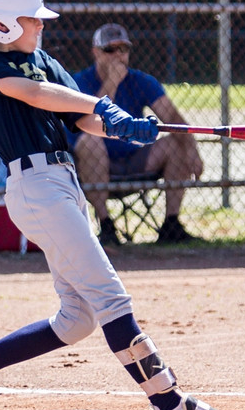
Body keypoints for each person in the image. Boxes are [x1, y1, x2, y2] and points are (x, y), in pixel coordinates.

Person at [0, 0, 242, 410]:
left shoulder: (43, 61)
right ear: (0, 23)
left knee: (77, 319)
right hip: (36, 187)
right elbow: (33, 94)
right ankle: (169, 407)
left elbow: (79, 117)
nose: (41, 25)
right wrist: (103, 106)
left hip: (64, 183)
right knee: (111, 298)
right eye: (31, 19)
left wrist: (123, 127)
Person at [71, 23, 204, 245]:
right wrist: (112, 83)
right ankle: (106, 226)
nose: (118, 55)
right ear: (96, 52)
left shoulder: (140, 80)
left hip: (134, 158)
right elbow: (92, 118)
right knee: (91, 141)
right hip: (91, 164)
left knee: (176, 142)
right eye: (110, 50)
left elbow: (172, 117)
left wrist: (192, 150)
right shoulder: (79, 82)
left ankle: (171, 224)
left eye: (124, 49)